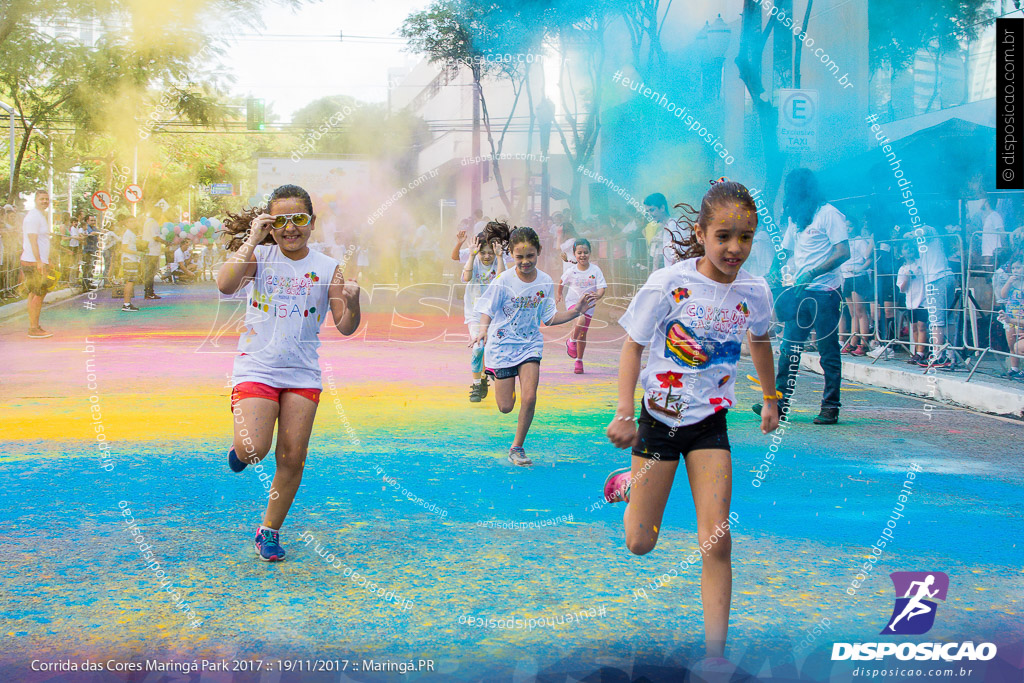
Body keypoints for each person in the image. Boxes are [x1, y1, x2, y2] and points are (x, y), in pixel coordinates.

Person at [603, 180, 779, 671]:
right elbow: (632, 346)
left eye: (745, 238)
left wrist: (770, 398)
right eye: (724, 236)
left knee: (716, 539)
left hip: (709, 425)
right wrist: (623, 412)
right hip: (658, 422)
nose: (735, 248)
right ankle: (626, 487)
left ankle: (715, 658)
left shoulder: (754, 291)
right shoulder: (668, 284)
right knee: (641, 543)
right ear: (701, 233)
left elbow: (760, 341)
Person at [217, 184, 361, 562]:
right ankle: (242, 451)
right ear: (270, 224)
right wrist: (252, 238)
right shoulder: (260, 256)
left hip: (302, 373)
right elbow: (225, 284)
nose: (290, 228)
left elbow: (345, 326)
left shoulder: (328, 267)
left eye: (298, 219)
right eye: (281, 220)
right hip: (257, 367)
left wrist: (354, 302)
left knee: (292, 458)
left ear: (311, 223)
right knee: (253, 449)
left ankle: (269, 531)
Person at [470, 221, 597, 466]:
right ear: (511, 255)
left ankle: (517, 447)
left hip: (529, 346)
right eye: (519, 257)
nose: (525, 261)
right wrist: (483, 330)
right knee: (506, 407)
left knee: (529, 397)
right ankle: (493, 373)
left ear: (538, 251)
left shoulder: (545, 281)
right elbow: (486, 309)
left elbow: (549, 317)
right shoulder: (503, 280)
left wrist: (577, 310)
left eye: (530, 256)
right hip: (502, 347)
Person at [752, 168, 850, 425]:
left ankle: (830, 407)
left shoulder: (829, 213)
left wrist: (813, 273)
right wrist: (773, 270)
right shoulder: (797, 218)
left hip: (827, 293)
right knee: (789, 349)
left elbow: (843, 252)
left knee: (827, 350)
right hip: (799, 292)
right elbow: (784, 250)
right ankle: (780, 405)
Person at [453, 226, 505, 402]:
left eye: (490, 253)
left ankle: (484, 376)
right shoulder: (474, 260)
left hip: (495, 314)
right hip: (475, 313)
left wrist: (499, 256)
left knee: (490, 348)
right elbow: (467, 278)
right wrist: (472, 255)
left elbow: (500, 281)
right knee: (478, 348)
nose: (487, 256)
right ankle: (477, 384)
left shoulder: (499, 259)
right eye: (484, 253)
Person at [557, 237, 606, 374]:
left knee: (583, 335)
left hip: (589, 306)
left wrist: (598, 295)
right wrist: (559, 294)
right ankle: (571, 341)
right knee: (580, 319)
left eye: (585, 252)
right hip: (573, 303)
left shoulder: (595, 270)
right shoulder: (572, 271)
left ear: (590, 253)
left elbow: (602, 287)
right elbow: (562, 281)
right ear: (575, 254)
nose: (582, 255)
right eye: (579, 253)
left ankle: (579, 360)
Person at [915, 223, 957, 368]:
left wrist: (908, 233)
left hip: (937, 278)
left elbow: (922, 231)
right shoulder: (937, 240)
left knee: (936, 319)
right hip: (946, 276)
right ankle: (951, 355)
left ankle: (939, 356)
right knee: (948, 318)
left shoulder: (930, 229)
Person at [19, 189, 54, 338]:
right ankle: (34, 328)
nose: (45, 201)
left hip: (36, 261)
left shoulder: (40, 216)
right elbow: (33, 240)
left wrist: (47, 260)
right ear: (35, 200)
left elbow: (41, 241)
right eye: (42, 199)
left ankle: (33, 325)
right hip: (33, 262)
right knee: (39, 294)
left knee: (34, 293)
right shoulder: (33, 217)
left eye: (47, 199)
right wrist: (39, 261)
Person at [839, 217, 874, 356]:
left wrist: (860, 269)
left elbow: (868, 259)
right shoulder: (844, 242)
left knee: (860, 312)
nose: (848, 229)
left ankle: (863, 343)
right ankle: (853, 342)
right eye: (846, 226)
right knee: (852, 312)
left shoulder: (860, 241)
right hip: (846, 278)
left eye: (851, 226)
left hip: (858, 278)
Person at [897, 241, 929, 364]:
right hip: (911, 301)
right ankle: (917, 352)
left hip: (923, 299)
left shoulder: (921, 263)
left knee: (922, 326)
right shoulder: (902, 269)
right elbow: (902, 289)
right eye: (905, 248)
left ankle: (921, 352)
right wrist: (907, 278)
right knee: (914, 327)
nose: (909, 249)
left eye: (910, 247)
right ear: (901, 253)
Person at [643, 192, 688, 270]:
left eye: (652, 210)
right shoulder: (665, 226)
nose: (650, 214)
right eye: (648, 212)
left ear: (662, 208)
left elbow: (680, 252)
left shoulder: (673, 225)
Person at [998, 258, 1024, 379]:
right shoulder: (1011, 282)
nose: (1015, 271)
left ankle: (1022, 370)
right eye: (1013, 268)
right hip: (1010, 316)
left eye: (1018, 268)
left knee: (1019, 344)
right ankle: (1014, 368)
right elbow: (1003, 295)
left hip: (1020, 317)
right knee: (1011, 344)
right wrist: (1008, 282)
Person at [120, 218, 143, 312]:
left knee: (131, 281)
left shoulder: (132, 233)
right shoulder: (128, 233)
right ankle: (126, 304)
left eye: (134, 221)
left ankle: (127, 303)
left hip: (132, 259)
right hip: (129, 259)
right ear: (126, 223)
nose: (133, 223)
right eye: (130, 221)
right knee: (129, 281)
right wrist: (136, 253)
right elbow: (124, 248)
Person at [141, 213, 165, 299]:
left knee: (149, 273)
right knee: (150, 273)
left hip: (148, 250)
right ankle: (149, 292)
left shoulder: (147, 221)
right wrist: (166, 242)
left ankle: (148, 292)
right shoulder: (153, 222)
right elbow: (155, 237)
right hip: (153, 251)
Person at [82, 214, 100, 290]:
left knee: (92, 267)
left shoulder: (94, 227)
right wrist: (99, 233)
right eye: (91, 220)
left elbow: (99, 232)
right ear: (87, 221)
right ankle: (85, 285)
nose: (93, 222)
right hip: (88, 250)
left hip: (94, 250)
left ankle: (90, 283)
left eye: (94, 220)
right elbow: (92, 233)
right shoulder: (87, 228)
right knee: (87, 268)